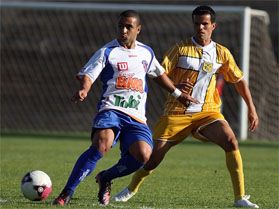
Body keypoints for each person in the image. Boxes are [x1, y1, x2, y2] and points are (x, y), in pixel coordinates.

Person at [113, 6, 259, 209]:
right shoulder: (180, 49)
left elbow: (239, 80)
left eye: (205, 24)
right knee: (153, 159)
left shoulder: (221, 53)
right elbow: (158, 73)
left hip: (207, 112)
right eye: (197, 23)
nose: (200, 27)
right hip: (176, 113)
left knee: (230, 140)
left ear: (213, 26)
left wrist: (251, 108)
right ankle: (131, 188)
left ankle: (240, 197)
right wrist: (175, 87)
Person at [52, 10, 197, 206]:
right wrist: (84, 89)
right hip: (111, 109)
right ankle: (66, 193)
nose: (124, 30)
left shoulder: (146, 52)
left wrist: (178, 95)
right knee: (102, 144)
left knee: (144, 155)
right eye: (121, 26)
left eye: (129, 26)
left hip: (136, 116)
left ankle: (106, 177)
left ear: (138, 29)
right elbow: (89, 74)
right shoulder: (107, 51)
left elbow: (158, 74)